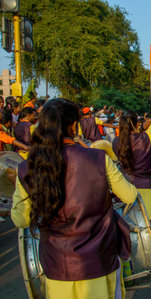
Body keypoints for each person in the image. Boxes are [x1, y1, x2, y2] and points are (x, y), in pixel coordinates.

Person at [11, 98, 138, 298]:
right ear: (73, 125)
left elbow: (21, 219)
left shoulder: (28, 167)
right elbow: (129, 195)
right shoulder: (98, 159)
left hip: (57, 267)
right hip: (99, 262)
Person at [113, 94, 151, 267]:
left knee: (134, 226)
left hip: (127, 189)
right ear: (136, 123)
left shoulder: (116, 142)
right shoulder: (145, 138)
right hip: (149, 186)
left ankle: (136, 260)